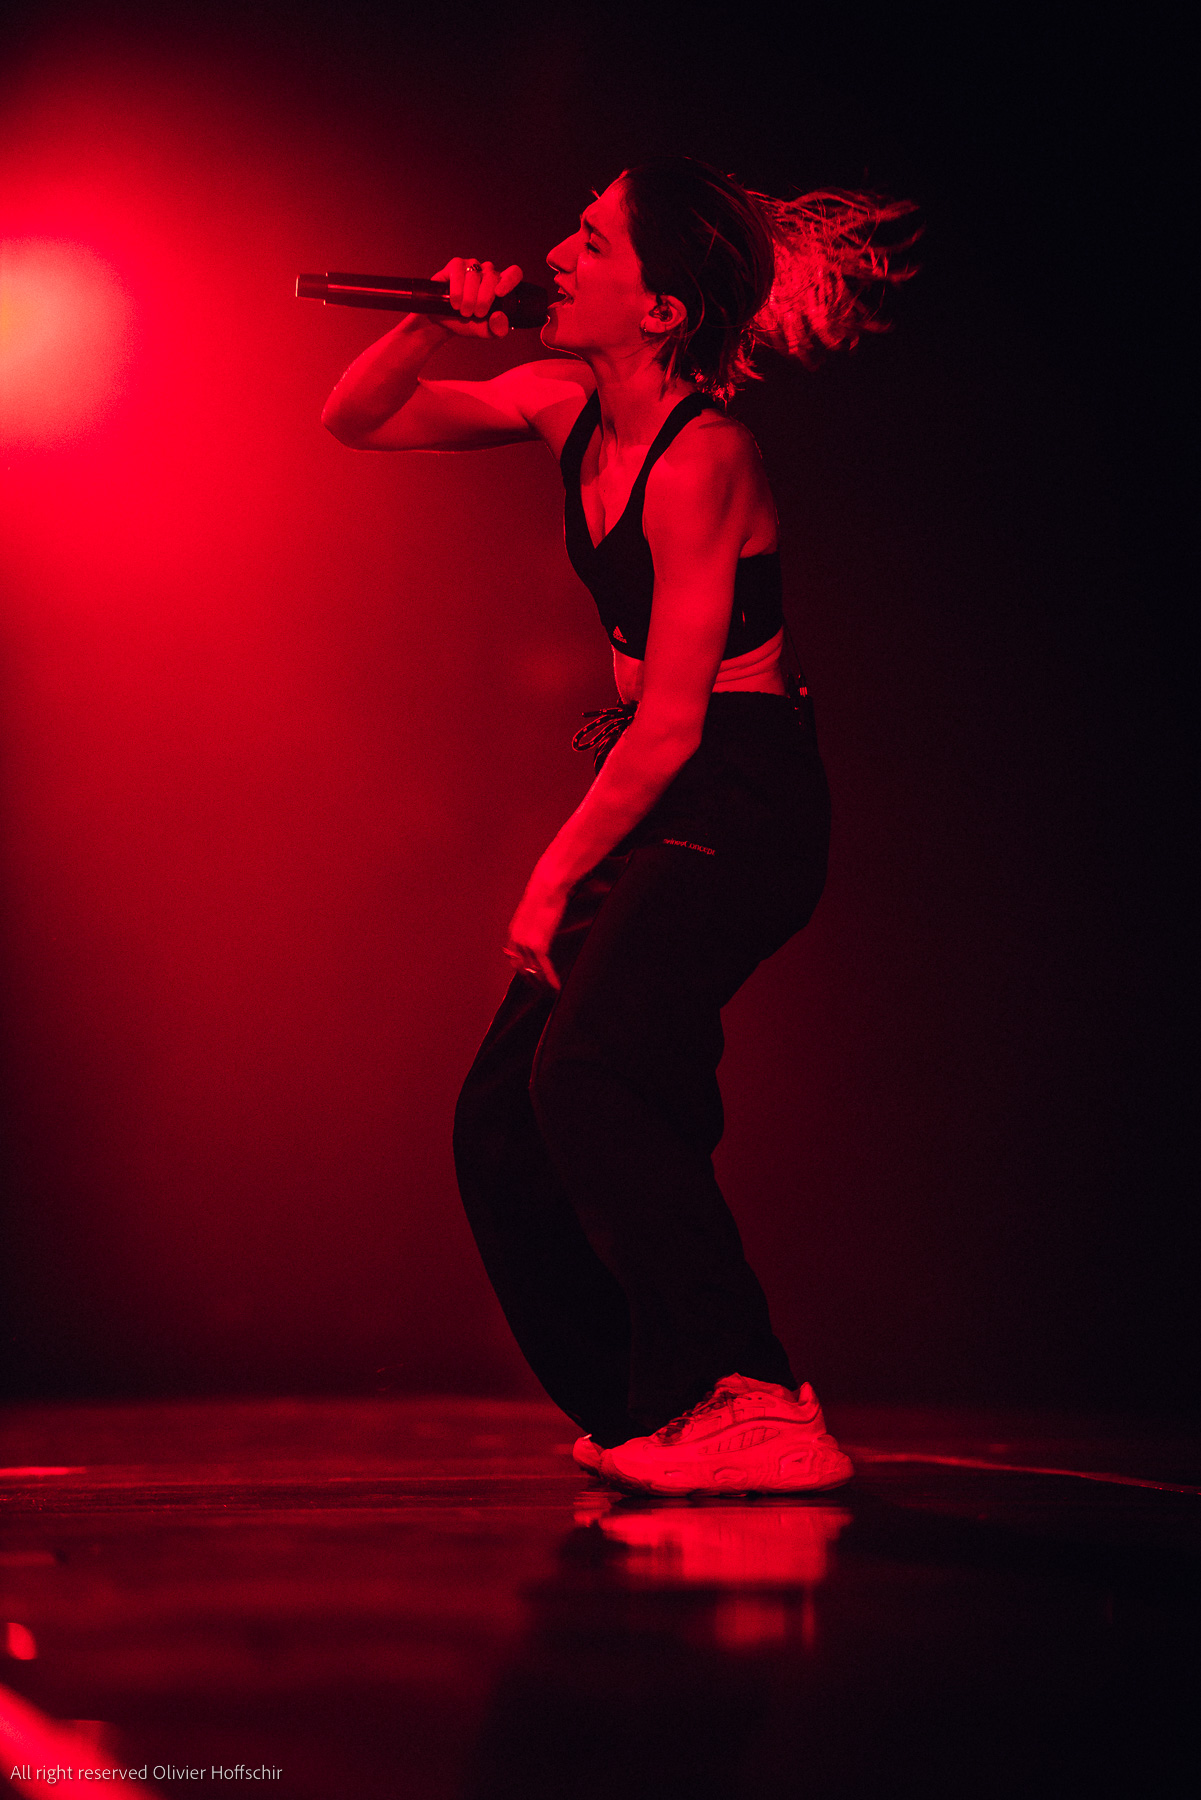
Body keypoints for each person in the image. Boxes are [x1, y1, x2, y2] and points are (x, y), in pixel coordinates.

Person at [322, 157, 916, 1495]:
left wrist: (548, 878)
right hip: (661, 793)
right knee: (500, 1117)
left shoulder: (705, 458)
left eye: (590, 241)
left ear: (658, 309)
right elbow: (355, 418)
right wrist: (428, 317)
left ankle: (750, 1391)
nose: (554, 253)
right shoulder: (557, 401)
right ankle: (651, 1408)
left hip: (742, 795)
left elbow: (674, 724)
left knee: (589, 1070)